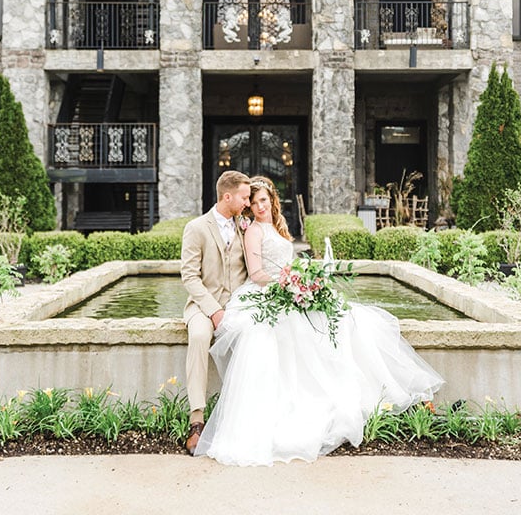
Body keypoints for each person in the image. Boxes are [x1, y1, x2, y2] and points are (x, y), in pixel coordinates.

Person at [194, 175, 444, 466]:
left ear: (271, 200)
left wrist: (303, 279)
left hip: (288, 287)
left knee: (347, 316)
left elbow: (287, 263)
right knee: (297, 327)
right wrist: (288, 284)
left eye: (263, 200)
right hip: (268, 292)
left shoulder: (276, 227)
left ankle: (363, 392)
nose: (259, 206)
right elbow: (257, 273)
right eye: (254, 201)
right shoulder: (252, 231)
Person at [181, 169, 251, 455]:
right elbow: (189, 276)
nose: (247, 203)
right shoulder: (196, 227)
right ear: (227, 196)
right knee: (198, 336)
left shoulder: (245, 227)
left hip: (238, 304)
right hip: (202, 305)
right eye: (244, 197)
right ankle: (197, 419)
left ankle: (243, 417)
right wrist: (213, 311)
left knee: (256, 338)